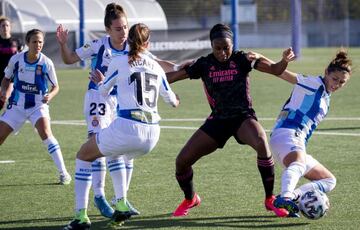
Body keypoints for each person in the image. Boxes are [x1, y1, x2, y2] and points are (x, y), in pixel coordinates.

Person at [56, 3, 177, 218]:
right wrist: (64, 44)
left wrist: (180, 67)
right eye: (118, 28)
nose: (123, 32)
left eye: (126, 27)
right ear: (108, 30)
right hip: (98, 99)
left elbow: (157, 63)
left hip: (122, 104)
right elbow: (69, 59)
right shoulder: (97, 45)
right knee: (96, 146)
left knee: (123, 153)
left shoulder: (133, 48)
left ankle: (121, 199)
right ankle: (100, 195)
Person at [166, 23, 295, 217]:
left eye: (226, 47)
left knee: (261, 141)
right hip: (218, 120)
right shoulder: (204, 64)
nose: (223, 52)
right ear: (211, 46)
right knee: (182, 161)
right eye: (218, 48)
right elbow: (172, 77)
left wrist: (284, 60)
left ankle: (270, 199)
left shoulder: (242, 59)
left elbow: (275, 70)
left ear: (232, 44)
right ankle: (190, 198)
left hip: (242, 118)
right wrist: (145, 77)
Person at [270, 50, 352, 217]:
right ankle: (285, 197)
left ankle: (292, 197)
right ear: (326, 73)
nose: (336, 84)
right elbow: (281, 73)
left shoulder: (326, 96)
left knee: (329, 181)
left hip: (295, 140)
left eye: (342, 82)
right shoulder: (313, 83)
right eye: (335, 79)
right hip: (288, 132)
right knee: (298, 164)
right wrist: (258, 59)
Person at [0, 29, 71, 185]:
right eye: (34, 42)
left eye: (40, 42)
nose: (38, 45)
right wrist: (4, 92)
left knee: (46, 132)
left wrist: (50, 96)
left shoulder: (46, 63)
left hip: (38, 105)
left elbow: (56, 87)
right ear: (27, 43)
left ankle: (64, 173)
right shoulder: (16, 60)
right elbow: (6, 79)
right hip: (17, 105)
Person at [0, 16, 22, 110]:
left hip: (11, 75)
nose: (5, 27)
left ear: (10, 27)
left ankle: (5, 122)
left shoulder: (16, 42)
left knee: (4, 98)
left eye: (7, 25)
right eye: (3, 25)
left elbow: (21, 57)